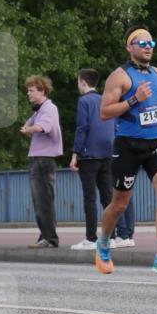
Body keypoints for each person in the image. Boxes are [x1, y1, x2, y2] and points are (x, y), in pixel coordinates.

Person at [94, 25, 157, 275]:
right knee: (119, 204)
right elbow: (104, 112)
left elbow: (153, 107)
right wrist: (133, 99)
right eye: (142, 43)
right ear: (129, 47)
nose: (147, 48)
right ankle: (104, 244)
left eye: (151, 44)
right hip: (128, 145)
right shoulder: (119, 76)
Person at [69, 69, 116, 250]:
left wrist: (75, 153)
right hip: (108, 152)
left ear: (82, 82)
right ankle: (111, 236)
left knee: (90, 198)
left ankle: (91, 237)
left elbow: (82, 127)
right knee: (108, 197)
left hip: (89, 154)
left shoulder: (84, 101)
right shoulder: (105, 99)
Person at [20, 76, 62, 248]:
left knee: (43, 200)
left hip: (44, 160)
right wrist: (28, 126)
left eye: (31, 90)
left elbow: (42, 127)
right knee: (39, 200)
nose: (28, 93)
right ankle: (45, 235)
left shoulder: (49, 109)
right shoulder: (39, 110)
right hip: (37, 159)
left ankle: (50, 238)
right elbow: (29, 124)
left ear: (42, 91)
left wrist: (29, 129)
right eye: (28, 90)